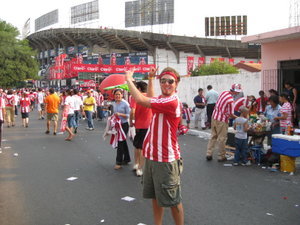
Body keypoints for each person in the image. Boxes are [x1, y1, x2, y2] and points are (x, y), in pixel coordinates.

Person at [125, 67, 184, 225]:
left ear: (176, 83)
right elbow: (151, 99)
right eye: (163, 80)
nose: (166, 84)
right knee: (156, 196)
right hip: (151, 156)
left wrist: (129, 80)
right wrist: (151, 79)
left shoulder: (171, 101)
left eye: (170, 81)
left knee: (172, 200)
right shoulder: (162, 100)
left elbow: (142, 100)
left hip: (165, 159)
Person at [206, 84, 241, 162]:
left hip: (214, 117)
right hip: (222, 120)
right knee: (222, 138)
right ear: (235, 92)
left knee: (213, 136)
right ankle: (221, 156)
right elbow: (231, 114)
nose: (238, 94)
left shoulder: (223, 92)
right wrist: (238, 118)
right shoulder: (231, 100)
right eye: (237, 92)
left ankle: (209, 154)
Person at [130, 81, 152, 176]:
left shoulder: (135, 97)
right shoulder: (150, 97)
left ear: (138, 88)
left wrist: (131, 121)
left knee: (137, 145)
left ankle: (136, 164)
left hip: (138, 125)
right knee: (143, 147)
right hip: (148, 125)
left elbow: (132, 111)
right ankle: (140, 168)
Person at [112, 89, 131, 170]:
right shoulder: (114, 103)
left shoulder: (125, 104)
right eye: (116, 94)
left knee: (120, 143)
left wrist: (120, 114)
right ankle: (126, 159)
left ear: (122, 95)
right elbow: (113, 113)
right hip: (117, 125)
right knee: (122, 142)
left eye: (119, 94)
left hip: (124, 125)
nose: (117, 96)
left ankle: (118, 162)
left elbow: (129, 115)